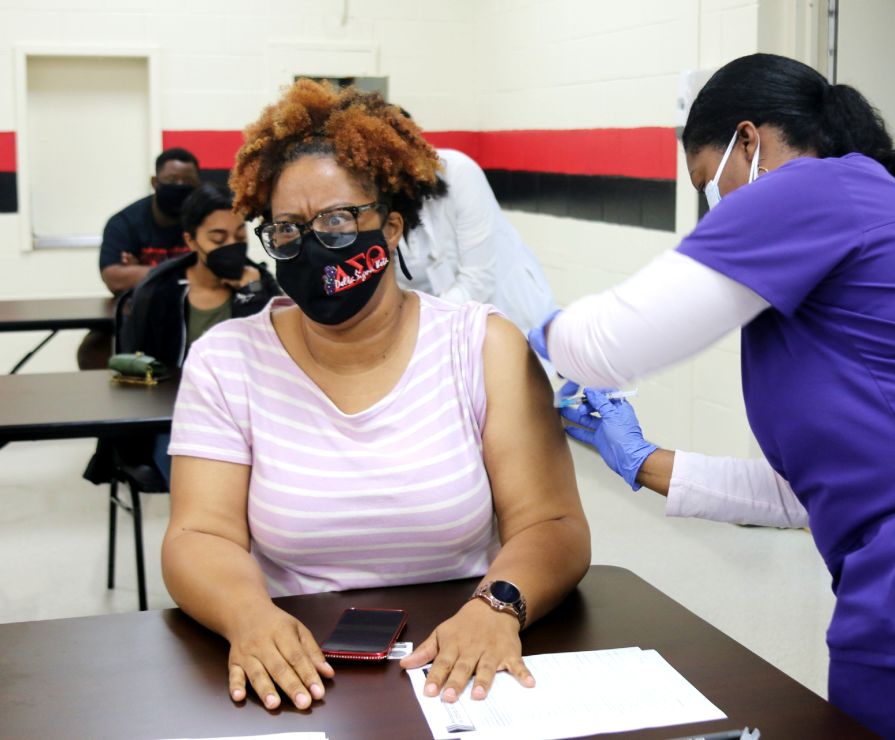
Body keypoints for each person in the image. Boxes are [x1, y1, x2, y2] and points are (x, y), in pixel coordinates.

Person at [529, 53, 895, 739]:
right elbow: (811, 494)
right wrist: (641, 459)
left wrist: (524, 324)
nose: (711, 204)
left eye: (705, 181)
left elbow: (608, 345)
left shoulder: (806, 190)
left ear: (751, 141)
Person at [161, 79, 590, 713]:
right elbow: (199, 534)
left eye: (337, 220)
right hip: (298, 663)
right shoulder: (227, 361)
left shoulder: (483, 347)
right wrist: (248, 615)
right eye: (286, 230)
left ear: (390, 228)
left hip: (461, 657)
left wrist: (497, 605)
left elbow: (552, 524)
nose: (312, 246)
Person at [118, 182, 280, 483]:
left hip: (252, 420)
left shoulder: (259, 286)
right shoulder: (161, 293)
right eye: (218, 238)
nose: (231, 246)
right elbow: (138, 372)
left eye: (239, 236)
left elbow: (275, 362)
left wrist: (252, 295)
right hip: (177, 420)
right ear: (191, 241)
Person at [398, 146, 558, 333]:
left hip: (508, 312)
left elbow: (478, 280)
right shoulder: (379, 205)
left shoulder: (458, 171)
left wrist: (422, 328)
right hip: (451, 330)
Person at [77, 148, 202, 368]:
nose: (180, 186)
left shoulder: (204, 220)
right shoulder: (125, 222)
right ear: (155, 182)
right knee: (93, 348)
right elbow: (114, 278)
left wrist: (142, 271)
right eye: (172, 180)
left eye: (187, 182)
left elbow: (216, 270)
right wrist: (185, 271)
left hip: (194, 308)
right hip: (138, 310)